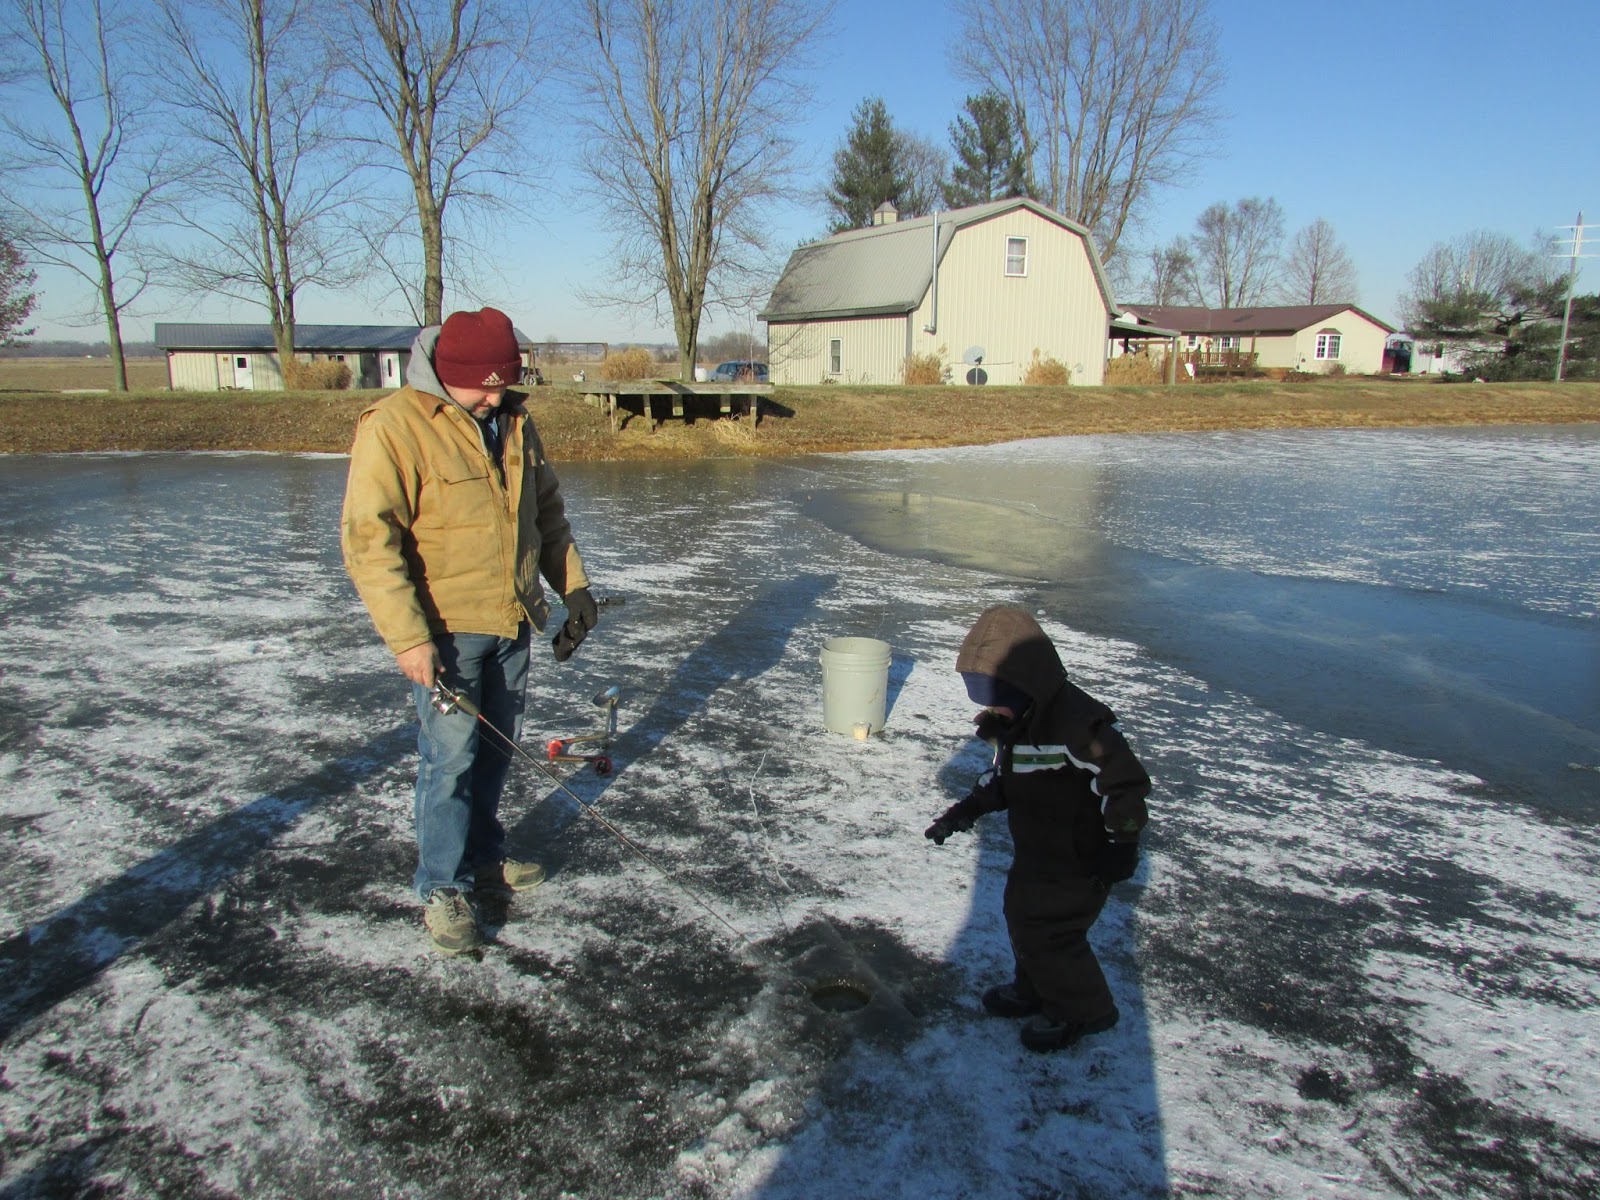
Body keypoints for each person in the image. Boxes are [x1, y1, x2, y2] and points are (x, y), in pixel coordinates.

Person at [341, 307, 600, 955]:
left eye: (502, 381)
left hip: (511, 618)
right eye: (483, 384)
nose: (494, 394)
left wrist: (574, 589)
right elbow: (370, 542)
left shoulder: (513, 419)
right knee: (449, 759)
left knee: (494, 750)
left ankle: (485, 854)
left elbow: (546, 513)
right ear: (446, 373)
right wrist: (408, 638)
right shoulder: (395, 427)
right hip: (446, 631)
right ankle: (442, 884)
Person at [924, 606, 1151, 1052]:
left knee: (1052, 933)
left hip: (1080, 855)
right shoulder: (1017, 724)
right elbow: (1004, 781)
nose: (992, 709)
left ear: (1029, 684)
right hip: (1037, 852)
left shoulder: (1077, 727)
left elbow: (1123, 784)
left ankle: (1085, 1011)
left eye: (997, 697)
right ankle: (1035, 988)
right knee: (1023, 919)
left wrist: (1121, 843)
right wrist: (963, 811)